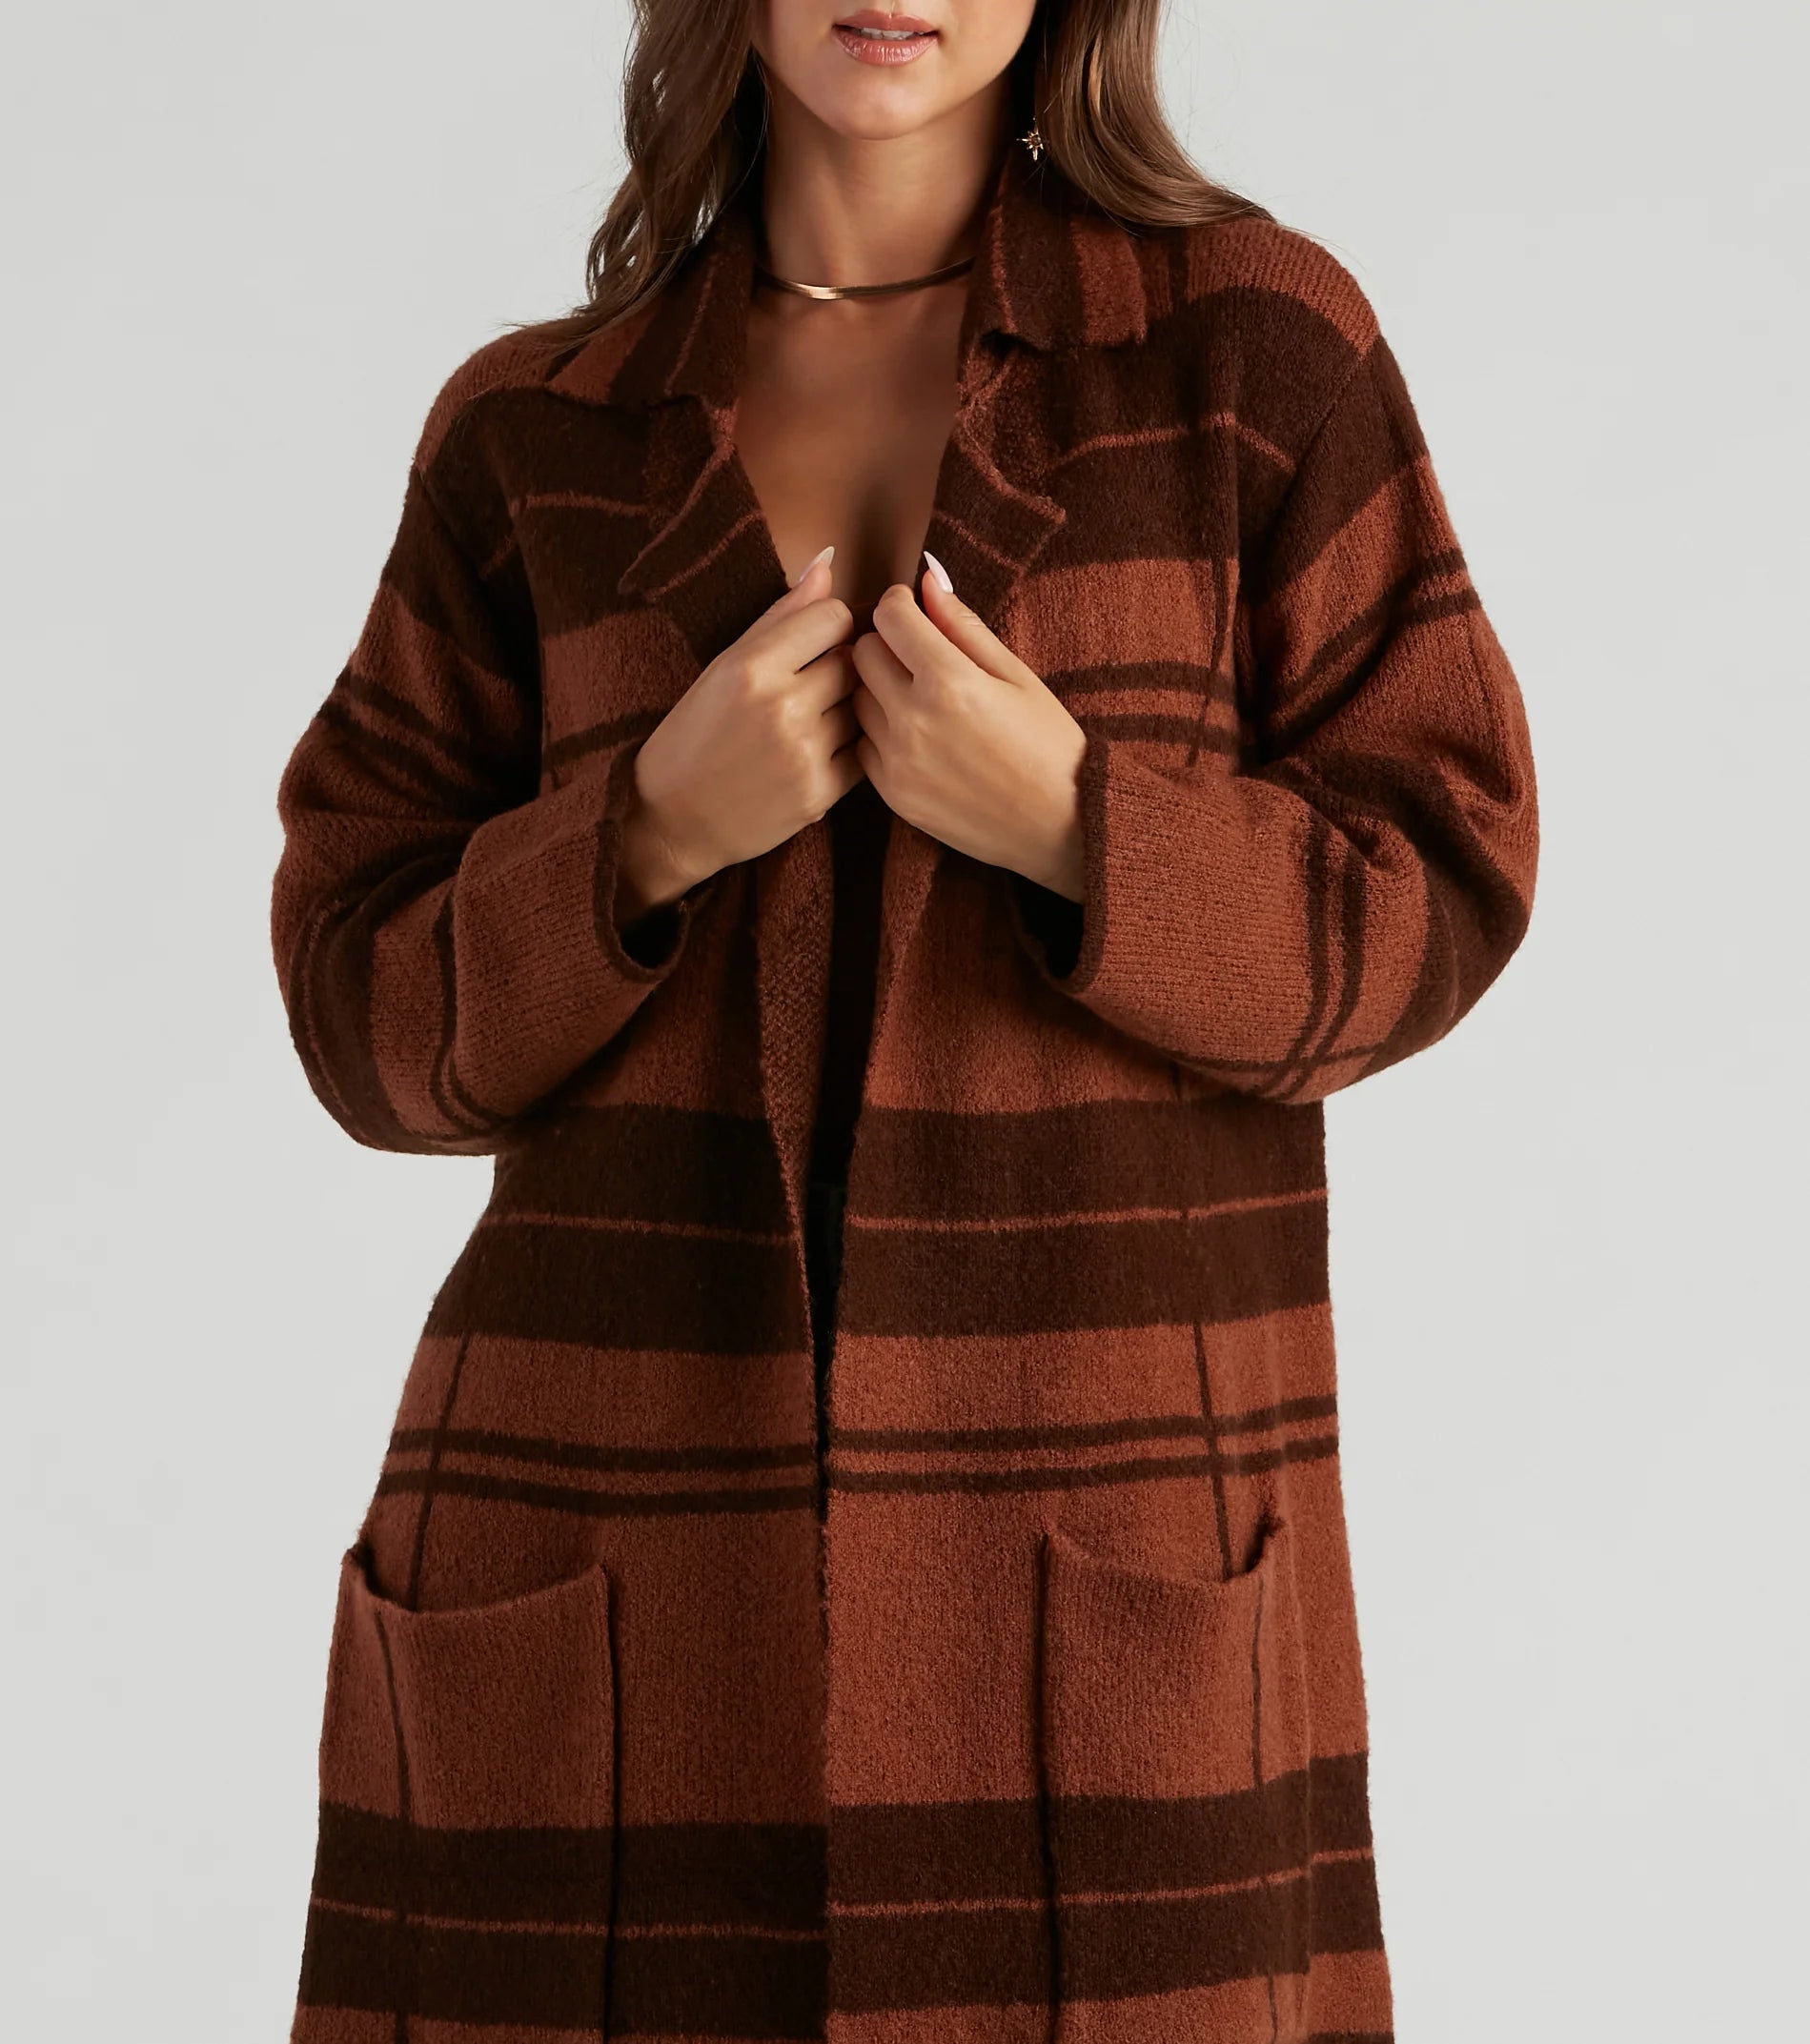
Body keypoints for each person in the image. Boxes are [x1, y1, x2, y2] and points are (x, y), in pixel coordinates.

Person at [270, 4, 1538, 2039]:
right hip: (608, 1560)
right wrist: (637, 835)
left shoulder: (1247, 355)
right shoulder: (533, 434)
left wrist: (1080, 826)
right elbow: (355, 996)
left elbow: (1444, 872)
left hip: (1101, 1563)